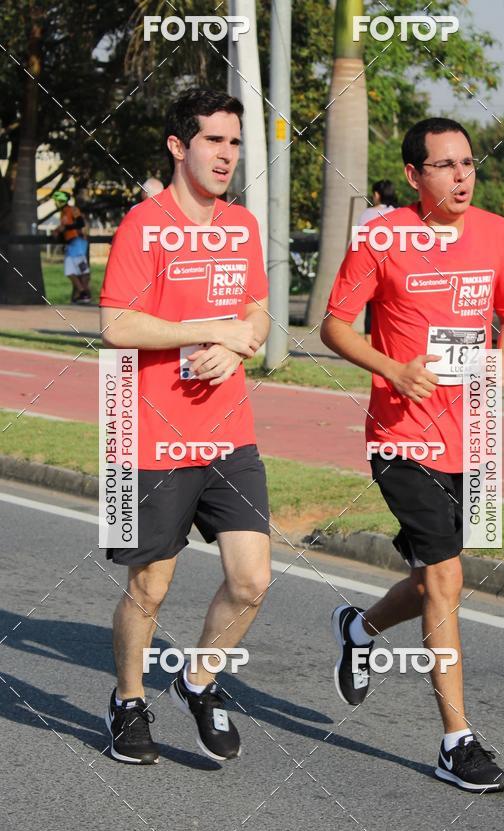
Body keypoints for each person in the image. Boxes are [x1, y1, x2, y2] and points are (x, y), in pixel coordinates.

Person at [322, 117, 504, 793]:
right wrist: (393, 368)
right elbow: (333, 325)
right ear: (415, 175)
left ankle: (360, 624)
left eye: (468, 162)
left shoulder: (498, 234)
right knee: (445, 581)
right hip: (403, 438)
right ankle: (456, 741)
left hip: (474, 437)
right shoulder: (381, 237)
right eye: (445, 165)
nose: (462, 175)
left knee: (438, 578)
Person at [99, 87, 271, 765]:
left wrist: (237, 345)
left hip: (230, 431)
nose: (227, 155)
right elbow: (115, 325)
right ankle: (128, 701)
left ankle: (196, 681)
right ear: (179, 147)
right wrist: (208, 328)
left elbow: (256, 311)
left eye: (234, 142)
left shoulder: (243, 226)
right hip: (150, 433)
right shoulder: (145, 225)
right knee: (150, 586)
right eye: (214, 141)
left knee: (252, 579)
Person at [357, 180, 398, 342]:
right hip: (396, 269)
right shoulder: (400, 212)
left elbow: (360, 243)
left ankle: (372, 353)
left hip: (373, 269)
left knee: (371, 311)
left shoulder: (367, 214)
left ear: (376, 195)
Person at [52, 191, 91, 303]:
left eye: (57, 201)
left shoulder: (73, 210)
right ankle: (82, 292)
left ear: (61, 201)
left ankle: (84, 294)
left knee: (83, 270)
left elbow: (80, 223)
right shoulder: (63, 213)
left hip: (78, 243)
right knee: (69, 271)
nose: (55, 203)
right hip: (70, 244)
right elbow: (64, 227)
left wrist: (65, 228)